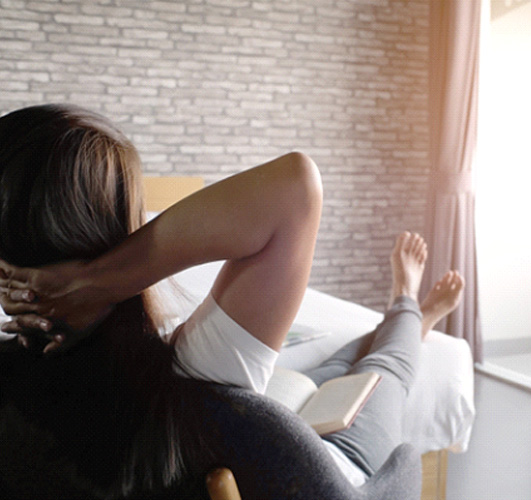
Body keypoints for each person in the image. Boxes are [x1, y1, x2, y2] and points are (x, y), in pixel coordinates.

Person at [0, 103, 464, 497]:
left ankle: (399, 323)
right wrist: (98, 282)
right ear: (123, 235)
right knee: (386, 371)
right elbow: (295, 187)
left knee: (344, 361)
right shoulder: (195, 372)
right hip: (343, 463)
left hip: (283, 421)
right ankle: (408, 305)